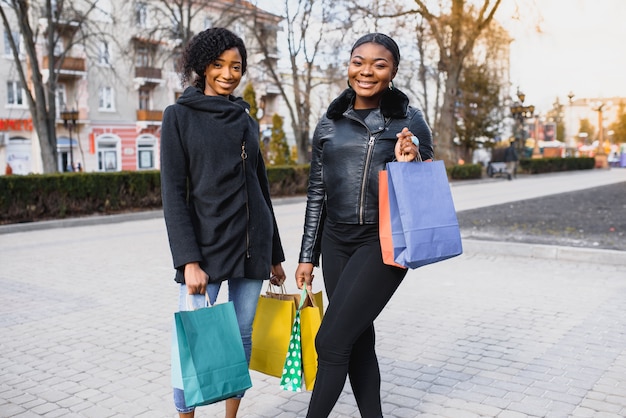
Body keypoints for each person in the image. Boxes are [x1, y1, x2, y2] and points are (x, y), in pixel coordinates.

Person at [295, 33, 434, 417]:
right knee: (357, 340)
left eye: (379, 64)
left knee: (331, 341)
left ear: (392, 72)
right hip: (335, 243)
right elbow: (316, 192)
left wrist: (412, 158)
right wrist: (307, 255)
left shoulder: (410, 120)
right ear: (348, 65)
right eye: (359, 61)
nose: (366, 71)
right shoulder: (329, 122)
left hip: (384, 241)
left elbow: (424, 182)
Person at [160, 27, 286, 418]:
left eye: (236, 66)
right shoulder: (178, 117)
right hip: (205, 249)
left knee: (242, 335)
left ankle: (231, 416)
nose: (228, 74)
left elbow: (261, 189)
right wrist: (188, 261)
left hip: (252, 246)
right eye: (219, 65)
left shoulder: (246, 119)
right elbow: (173, 196)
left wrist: (275, 256)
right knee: (192, 342)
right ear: (202, 67)